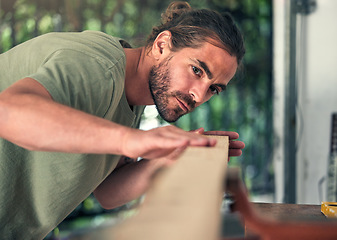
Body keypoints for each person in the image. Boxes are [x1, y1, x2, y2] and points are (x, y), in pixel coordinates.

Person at [0, 1, 245, 239]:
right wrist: (130, 140)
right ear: (162, 46)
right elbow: (6, 111)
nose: (199, 95)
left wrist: (170, 157)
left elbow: (108, 193)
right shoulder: (98, 66)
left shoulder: (132, 99)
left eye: (214, 89)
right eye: (197, 70)